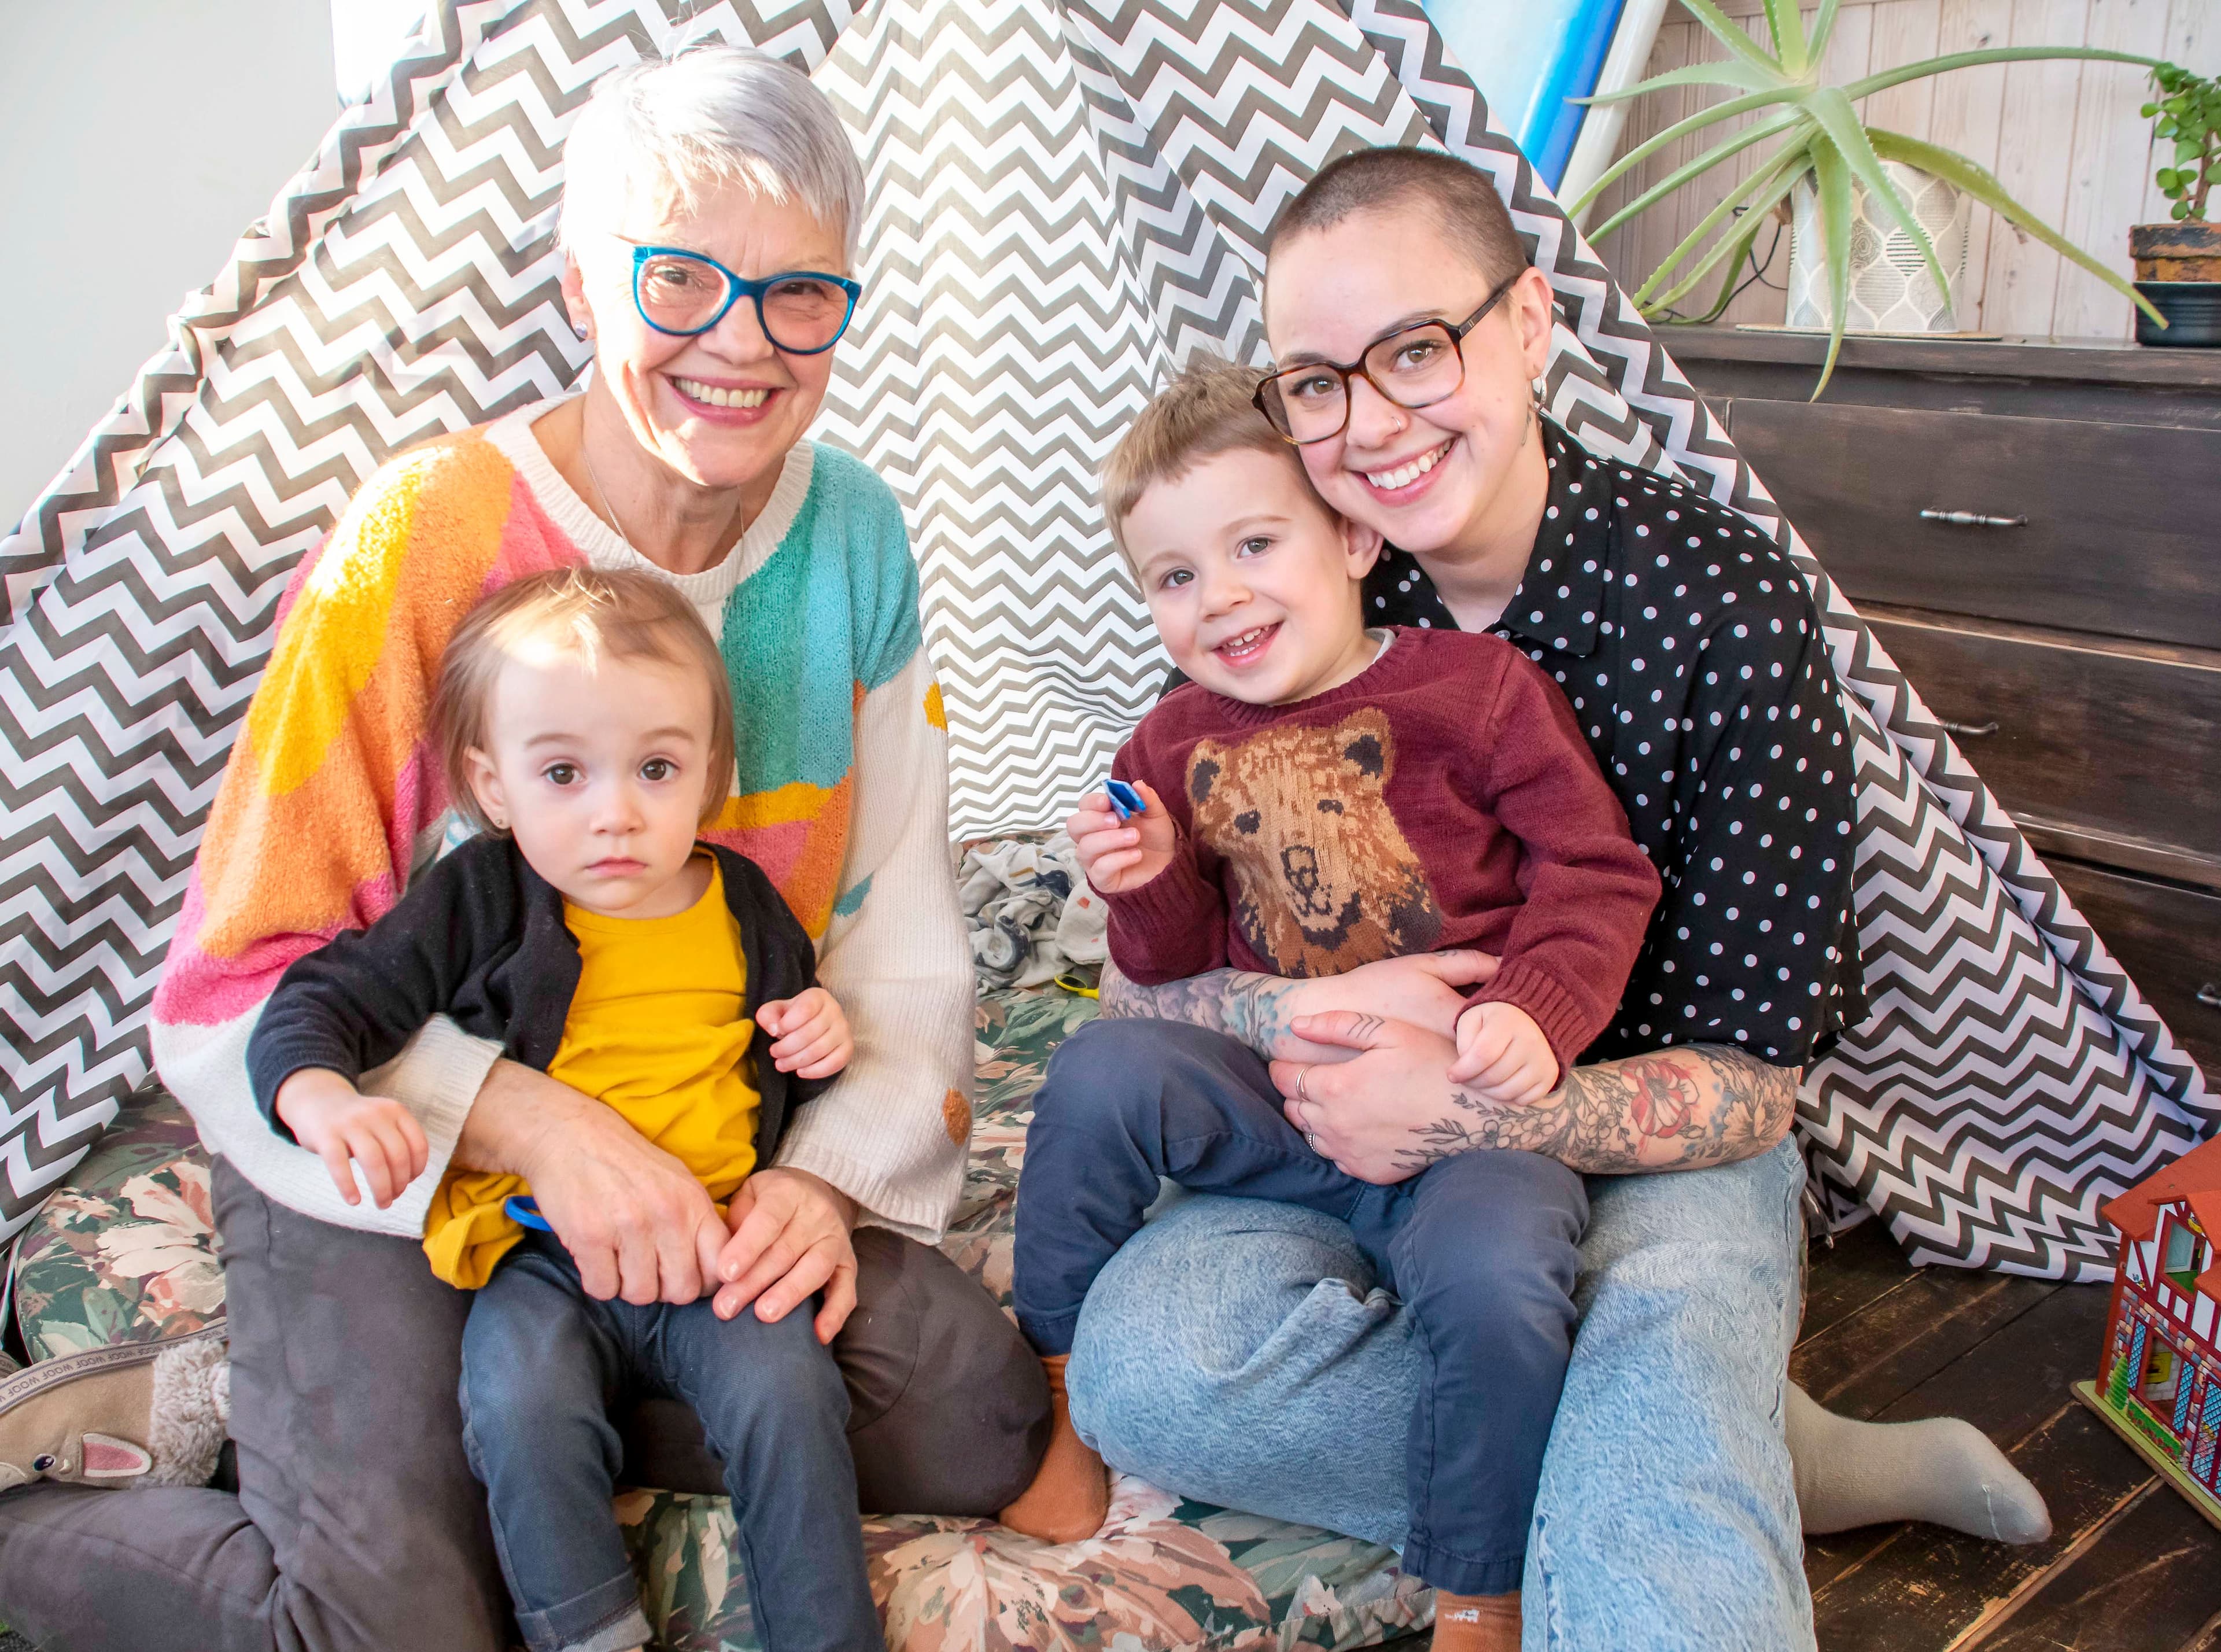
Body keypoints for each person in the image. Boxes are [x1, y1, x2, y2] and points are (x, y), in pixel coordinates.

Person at [0, 47, 1045, 1652]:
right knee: (398, 1625)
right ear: (580, 284)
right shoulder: (420, 537)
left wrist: (828, 1182)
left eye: (797, 295)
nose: (740, 346)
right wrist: (529, 1123)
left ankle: (436, 1428)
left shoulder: (856, 536)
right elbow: (235, 988)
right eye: (680, 282)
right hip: (400, 1158)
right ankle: (158, 1476)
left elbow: (898, 925)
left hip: (702, 1132)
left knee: (974, 1411)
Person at [1051, 148, 2047, 1651]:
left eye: (1415, 350)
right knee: (1147, 1369)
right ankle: (1758, 1446)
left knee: (1656, 1498)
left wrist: (1472, 1105)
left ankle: (1681, 1458)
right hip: (1335, 1127)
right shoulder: (1287, 580)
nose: (1369, 423)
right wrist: (1312, 1011)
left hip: (1652, 1142)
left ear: (1527, 325)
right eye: (1317, 380)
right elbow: (1155, 980)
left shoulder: (1721, 604)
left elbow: (1755, 1088)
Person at [1000, 359, 1661, 1650]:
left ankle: (1480, 1585)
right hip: (1279, 1109)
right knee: (1093, 1076)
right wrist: (1143, 883)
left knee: (1495, 1273)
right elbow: (1173, 963)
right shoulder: (1170, 740)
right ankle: (1055, 1387)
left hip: (1456, 1109)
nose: (1222, 596)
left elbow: (1598, 870)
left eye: (1257, 543)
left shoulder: (1474, 692)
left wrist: (1535, 1013)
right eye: (1176, 576)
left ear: (1352, 535)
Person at [253, 568, 882, 1652]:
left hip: (720, 1244)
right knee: (518, 1407)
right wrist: (312, 1092)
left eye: (654, 769)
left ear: (712, 775)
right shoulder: (484, 896)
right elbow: (324, 1001)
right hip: (540, 1259)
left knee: (791, 1403)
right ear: (493, 789)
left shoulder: (747, 904)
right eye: (563, 774)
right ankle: (590, 1632)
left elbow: (784, 1057)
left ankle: (827, 1635)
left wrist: (821, 1036)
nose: (616, 815)